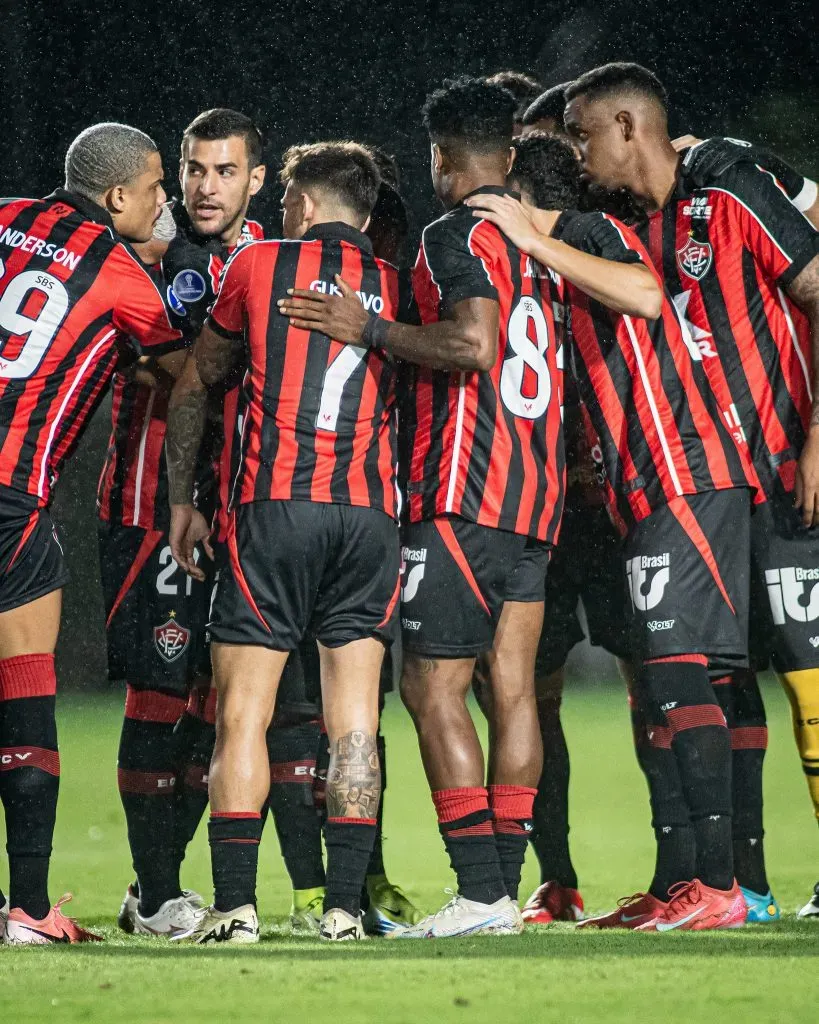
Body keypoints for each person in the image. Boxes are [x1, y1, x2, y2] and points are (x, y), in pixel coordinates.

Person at [280, 76, 566, 938]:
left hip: (462, 491)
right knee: (511, 689)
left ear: (441, 159)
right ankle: (499, 891)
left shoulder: (454, 234)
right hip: (535, 493)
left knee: (430, 685)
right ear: (508, 154)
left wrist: (366, 328)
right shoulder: (539, 242)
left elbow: (472, 346)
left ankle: (479, 891)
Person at [467, 131, 758, 932]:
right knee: (667, 681)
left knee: (679, 676)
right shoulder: (558, 261)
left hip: (683, 473)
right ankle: (680, 885)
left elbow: (643, 293)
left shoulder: (587, 233)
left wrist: (534, 236)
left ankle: (720, 886)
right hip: (640, 490)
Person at [563, 61, 819, 922]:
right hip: (712, 482)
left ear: (627, 125)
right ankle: (742, 885)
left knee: (808, 677)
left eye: (582, 133)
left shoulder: (728, 184)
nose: (577, 152)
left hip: (787, 471)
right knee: (726, 672)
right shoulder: (635, 227)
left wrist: (817, 433)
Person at [166, 141, 402, 944]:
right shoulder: (398, 284)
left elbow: (198, 382)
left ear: (298, 203)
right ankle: (342, 910)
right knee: (355, 723)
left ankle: (235, 907)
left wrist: (181, 499)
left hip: (274, 509)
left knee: (242, 713)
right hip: (368, 516)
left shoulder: (260, 263)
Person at [0, 122, 185, 944]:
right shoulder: (118, 270)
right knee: (25, 692)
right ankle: (32, 908)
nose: (163, 201)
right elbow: (186, 374)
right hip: (10, 499)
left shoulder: (4, 215)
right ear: (116, 197)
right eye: (154, 188)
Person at [96, 108, 266, 938]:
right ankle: (161, 892)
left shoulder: (268, 258)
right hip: (146, 504)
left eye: (223, 171)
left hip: (241, 508)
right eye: (193, 169)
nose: (204, 187)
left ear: (254, 179)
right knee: (158, 692)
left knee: (217, 699)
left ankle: (153, 887)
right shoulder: (143, 262)